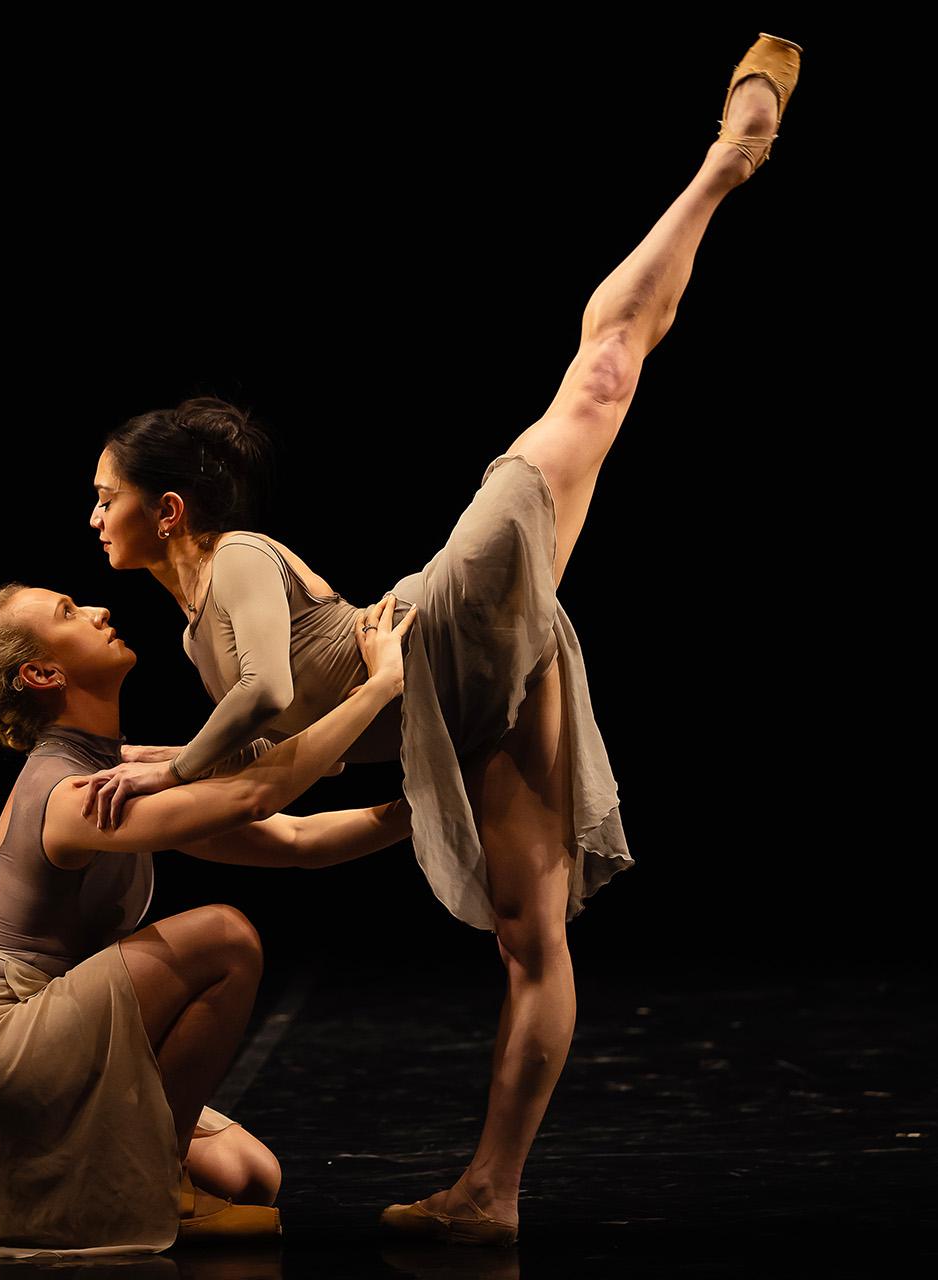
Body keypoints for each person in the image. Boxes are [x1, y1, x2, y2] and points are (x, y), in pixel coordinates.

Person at [77, 33, 804, 1245]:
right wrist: (154, 764)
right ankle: (491, 1192)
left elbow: (265, 703)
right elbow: (272, 785)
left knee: (600, 376)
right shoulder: (198, 636)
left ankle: (728, 161)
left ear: (170, 511)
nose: (91, 515)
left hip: (446, 616)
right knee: (532, 939)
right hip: (457, 709)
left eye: (105, 495)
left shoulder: (239, 561)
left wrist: (170, 766)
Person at [0, 586, 417, 1260]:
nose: (99, 611)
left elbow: (296, 839)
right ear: (43, 673)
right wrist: (381, 684)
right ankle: (130, 1181)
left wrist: (427, 804)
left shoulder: (114, 774)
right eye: (68, 613)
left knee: (252, 1175)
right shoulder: (71, 794)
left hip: (46, 1044)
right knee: (225, 937)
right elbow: (256, 793)